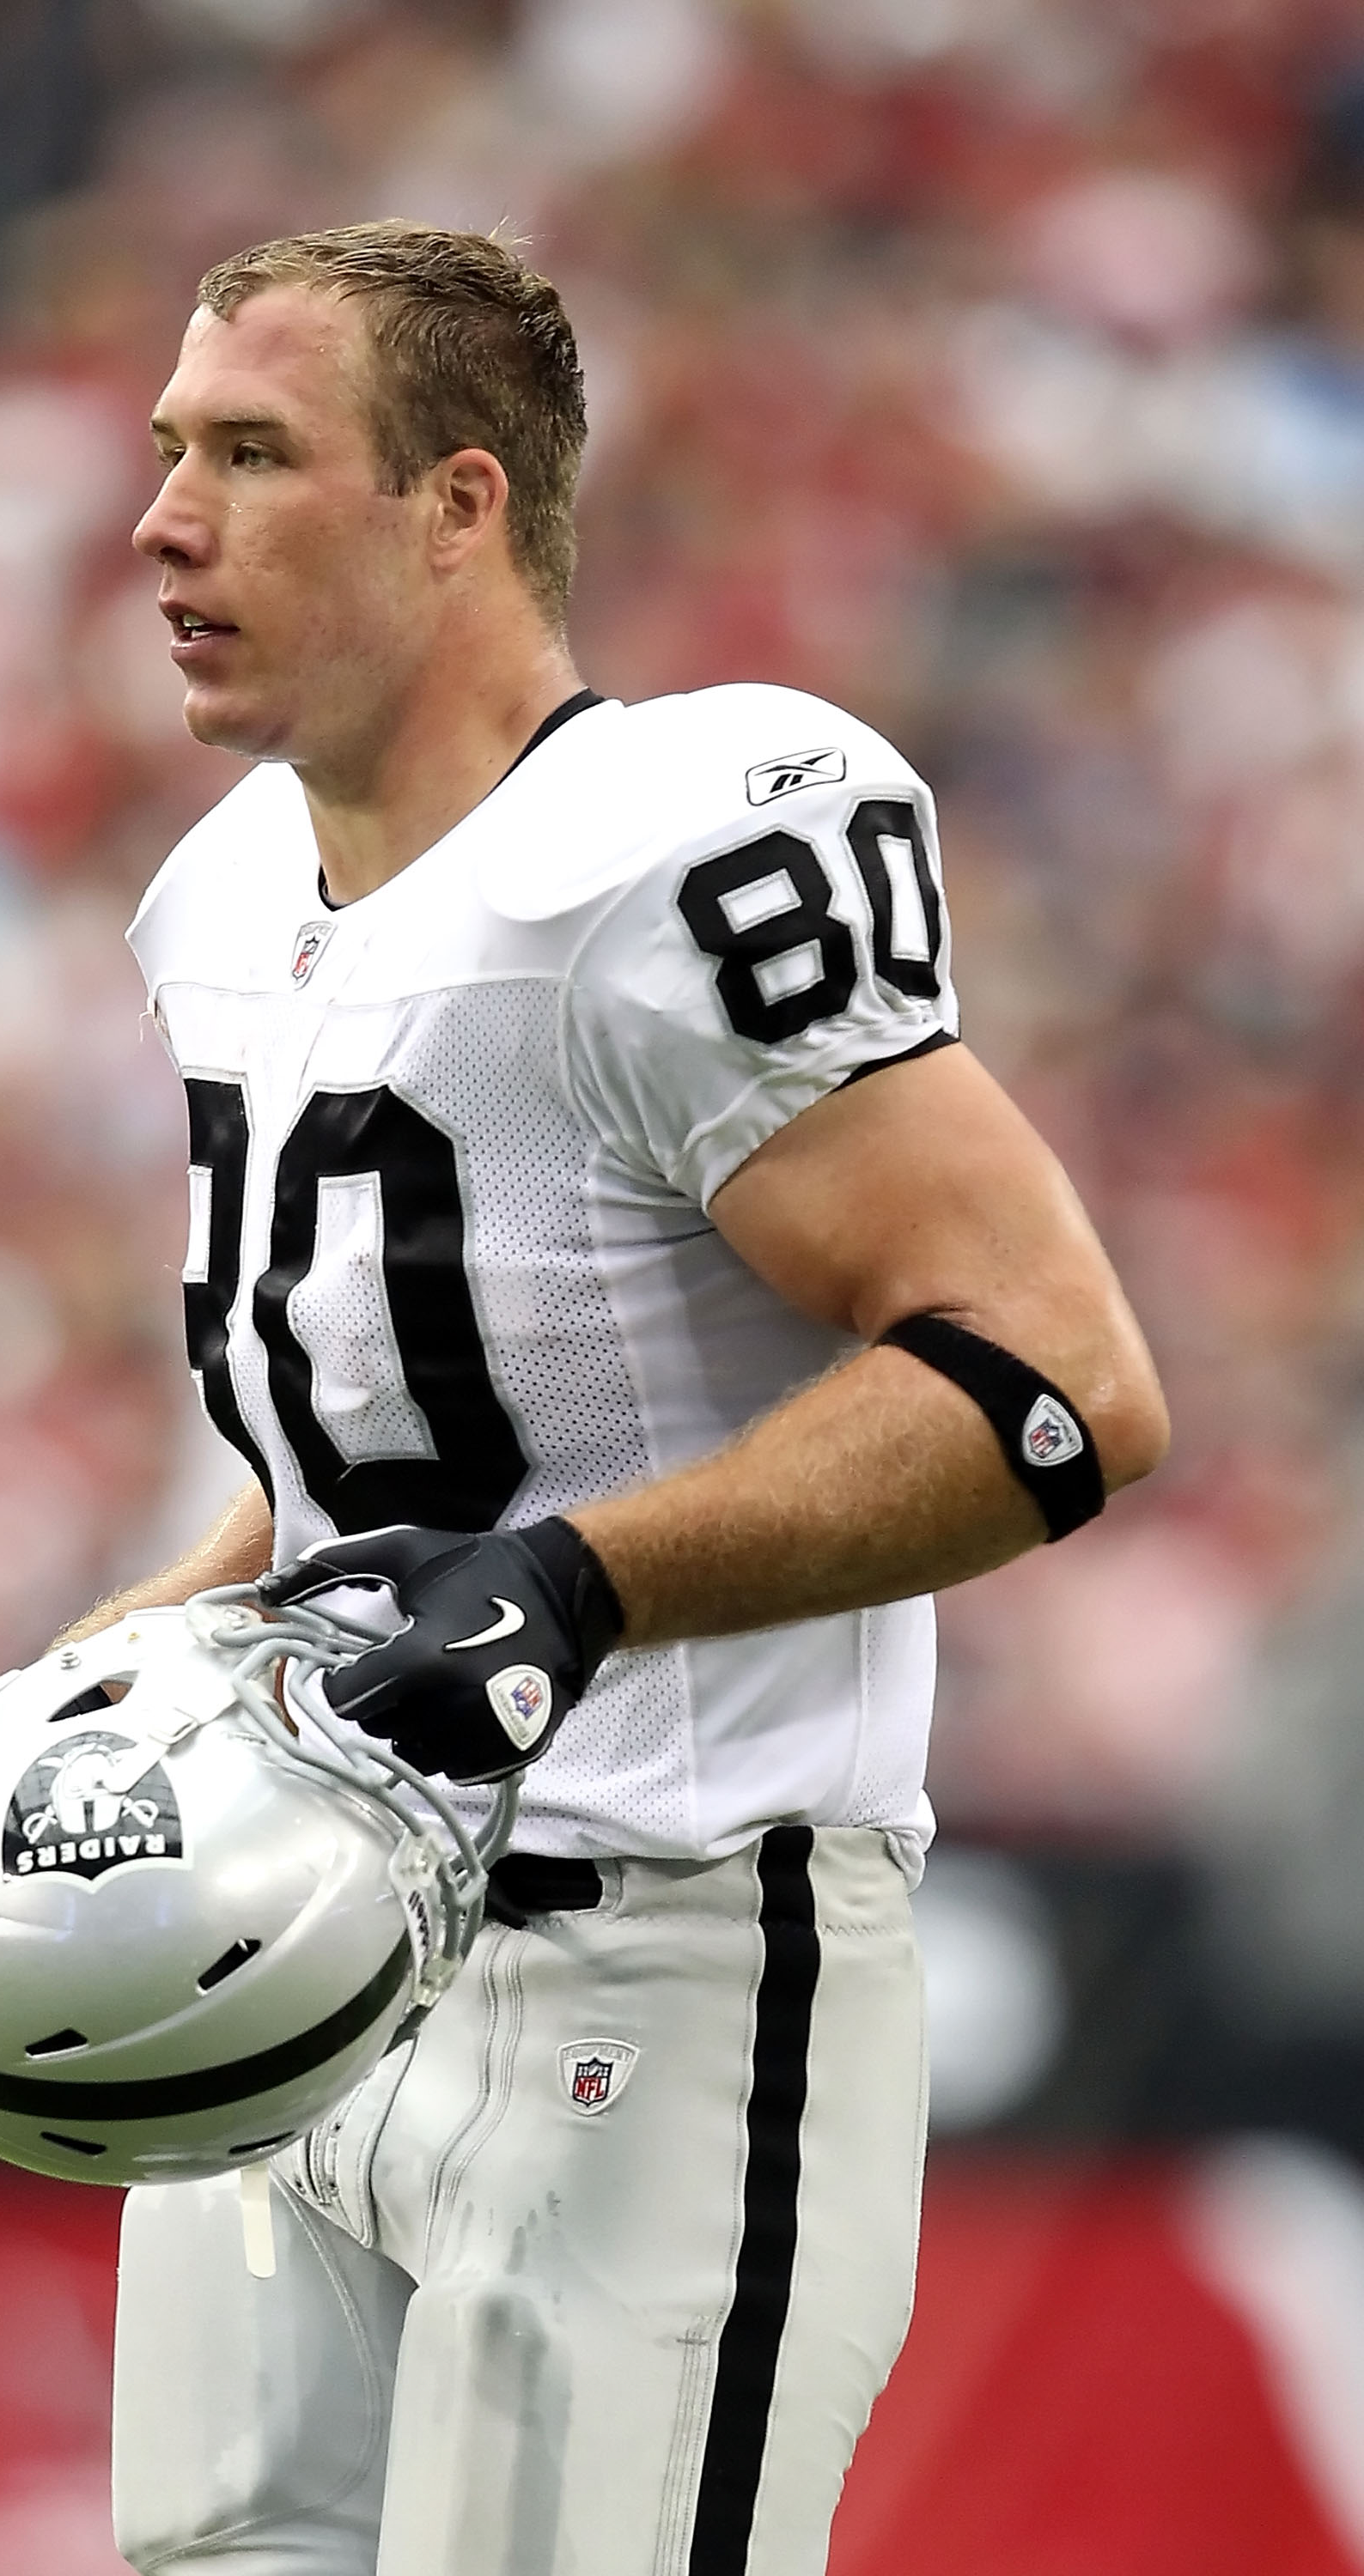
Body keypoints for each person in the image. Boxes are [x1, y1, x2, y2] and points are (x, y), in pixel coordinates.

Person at [69, 222, 1167, 2576]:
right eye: (172, 451)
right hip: (311, 1961)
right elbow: (379, 1462)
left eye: (253, 456)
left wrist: (579, 1590)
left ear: (458, 506)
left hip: (656, 1954)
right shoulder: (227, 892)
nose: (164, 520)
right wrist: (121, 1668)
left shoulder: (673, 843)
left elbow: (1052, 1383)